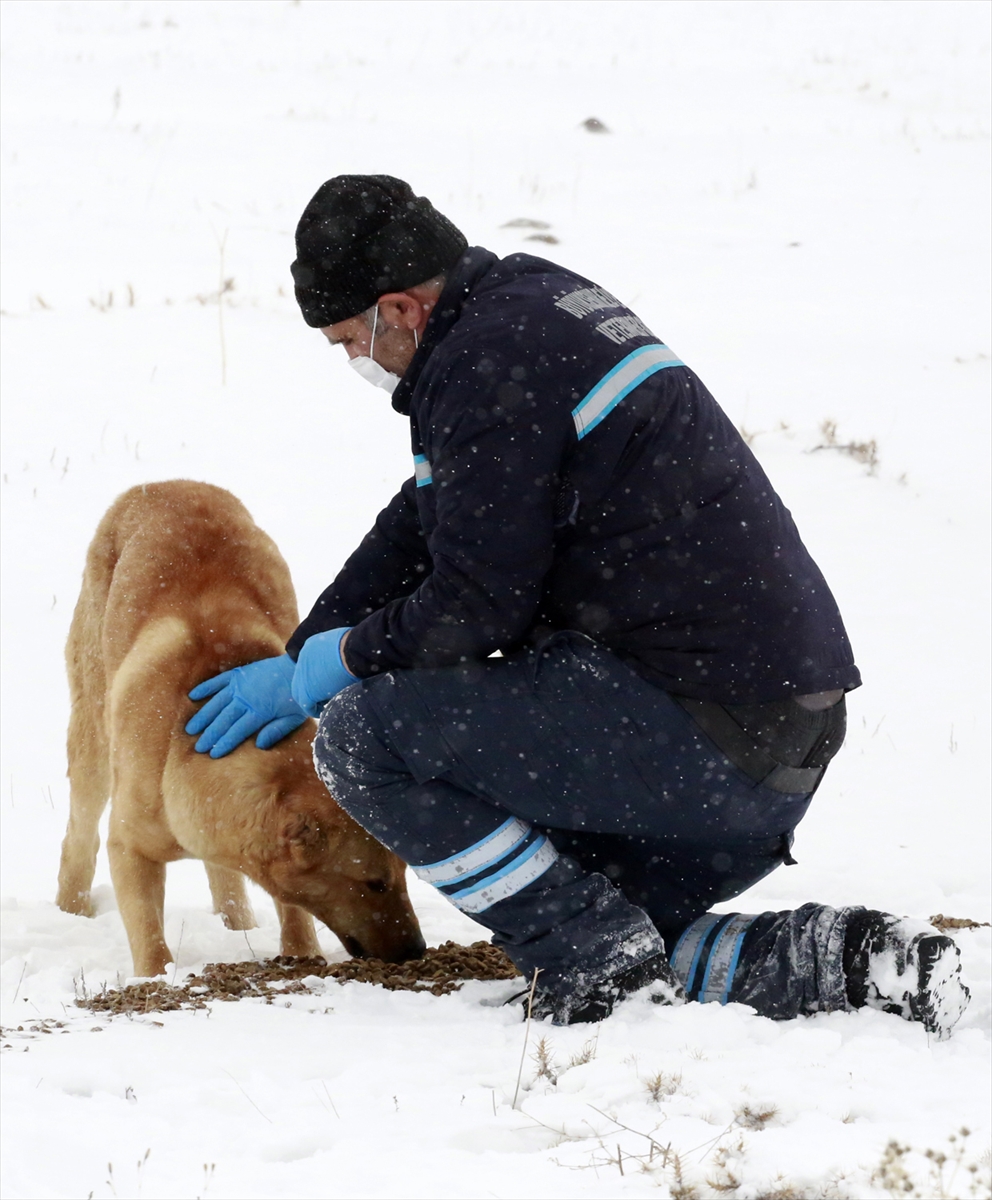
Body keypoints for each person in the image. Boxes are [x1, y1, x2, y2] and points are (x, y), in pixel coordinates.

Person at [186, 175, 969, 1034]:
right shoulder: (527, 306)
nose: (354, 362)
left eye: (348, 341)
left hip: (705, 735)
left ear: (400, 311)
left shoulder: (486, 366)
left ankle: (590, 957)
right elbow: (425, 518)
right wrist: (309, 646)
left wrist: (335, 669)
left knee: (364, 739)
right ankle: (855, 960)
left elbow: (477, 606)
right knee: (590, 904)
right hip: (772, 733)